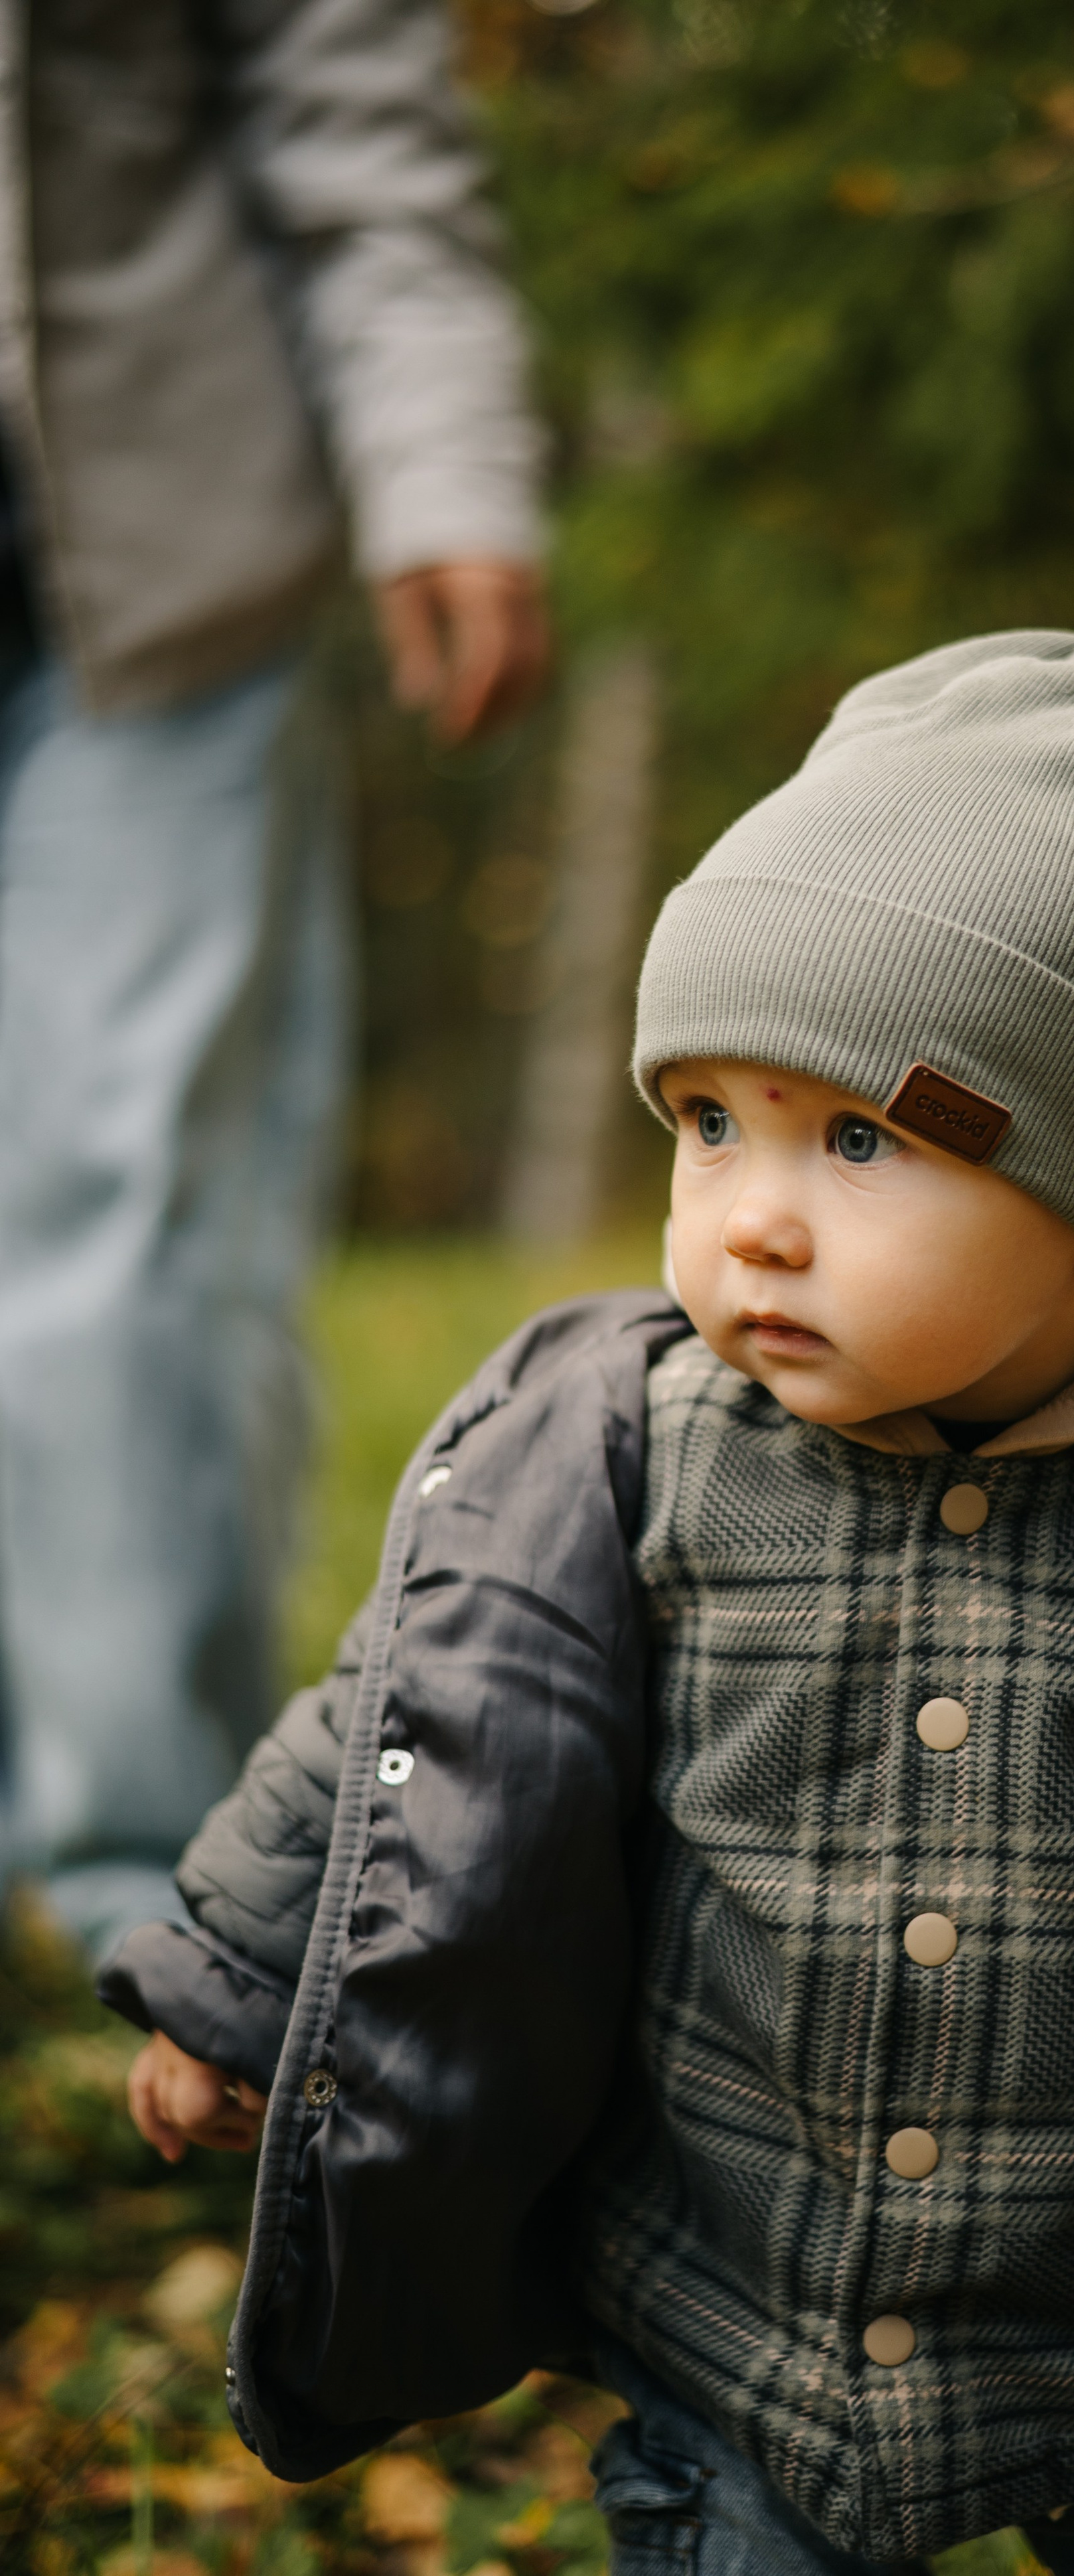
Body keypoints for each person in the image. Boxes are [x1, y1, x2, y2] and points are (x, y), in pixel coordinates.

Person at [103, 633, 1074, 2570]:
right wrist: (243, 1989)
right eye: (707, 1124)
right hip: (743, 2315)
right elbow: (412, 1724)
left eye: (857, 1140)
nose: (753, 1213)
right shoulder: (626, 1450)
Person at [0, 0, 550, 1963]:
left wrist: (448, 471)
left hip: (163, 554)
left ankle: (147, 1891)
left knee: (128, 1199)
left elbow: (361, 127)